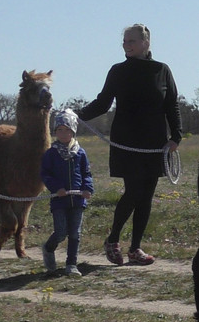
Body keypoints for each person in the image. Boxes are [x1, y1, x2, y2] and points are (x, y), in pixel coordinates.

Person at [77, 24, 182, 266]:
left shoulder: (162, 70)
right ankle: (112, 240)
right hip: (127, 142)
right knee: (134, 191)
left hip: (155, 143)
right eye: (124, 41)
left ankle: (135, 248)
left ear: (146, 42)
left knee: (146, 196)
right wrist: (78, 114)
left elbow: (171, 105)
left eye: (131, 41)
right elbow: (103, 103)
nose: (126, 45)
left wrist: (176, 136)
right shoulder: (117, 71)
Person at [40, 109, 94, 277]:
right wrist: (57, 189)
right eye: (60, 130)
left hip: (77, 201)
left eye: (67, 130)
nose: (63, 134)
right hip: (59, 201)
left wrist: (87, 188)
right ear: (55, 132)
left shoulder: (80, 152)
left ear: (73, 131)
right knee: (61, 232)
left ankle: (71, 264)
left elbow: (87, 173)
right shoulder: (51, 153)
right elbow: (45, 174)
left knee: (75, 234)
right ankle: (49, 248)